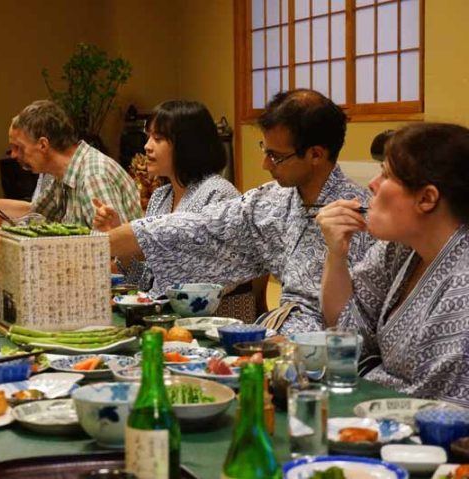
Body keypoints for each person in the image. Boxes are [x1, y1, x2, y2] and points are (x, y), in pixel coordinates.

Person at [106, 89, 375, 334]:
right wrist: (109, 241)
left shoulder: (360, 216)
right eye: (264, 150)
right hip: (279, 331)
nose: (265, 164)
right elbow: (204, 226)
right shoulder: (272, 202)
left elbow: (360, 322)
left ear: (316, 155)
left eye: (276, 156)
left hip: (330, 348)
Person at [317, 122, 469, 406]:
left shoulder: (463, 283)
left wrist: (364, 371)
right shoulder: (399, 250)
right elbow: (347, 332)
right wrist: (336, 254)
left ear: (426, 198)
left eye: (385, 175)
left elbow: (432, 402)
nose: (372, 185)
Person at [93, 100, 240, 291]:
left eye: (158, 138)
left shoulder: (219, 194)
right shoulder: (160, 197)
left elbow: (223, 275)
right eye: (148, 137)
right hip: (161, 311)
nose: (147, 146)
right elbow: (145, 279)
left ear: (188, 144)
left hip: (207, 316)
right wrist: (121, 237)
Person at [0, 100, 142, 226]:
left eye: (18, 147)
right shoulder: (63, 173)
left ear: (43, 145)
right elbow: (33, 212)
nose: (13, 155)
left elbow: (115, 250)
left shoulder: (93, 175)